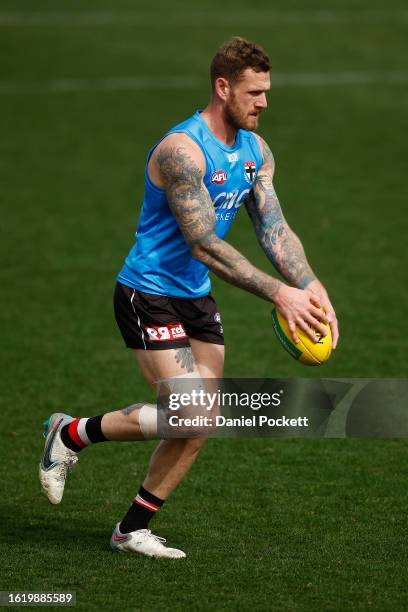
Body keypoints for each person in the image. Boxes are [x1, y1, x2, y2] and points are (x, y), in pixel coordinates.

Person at [39, 37, 339, 559]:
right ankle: (70, 435)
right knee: (191, 414)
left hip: (194, 298)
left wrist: (310, 287)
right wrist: (279, 295)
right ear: (223, 88)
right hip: (148, 292)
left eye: (267, 91)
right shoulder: (183, 151)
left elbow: (274, 229)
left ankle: (130, 529)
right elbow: (203, 244)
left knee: (200, 425)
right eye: (254, 92)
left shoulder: (256, 150)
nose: (264, 102)